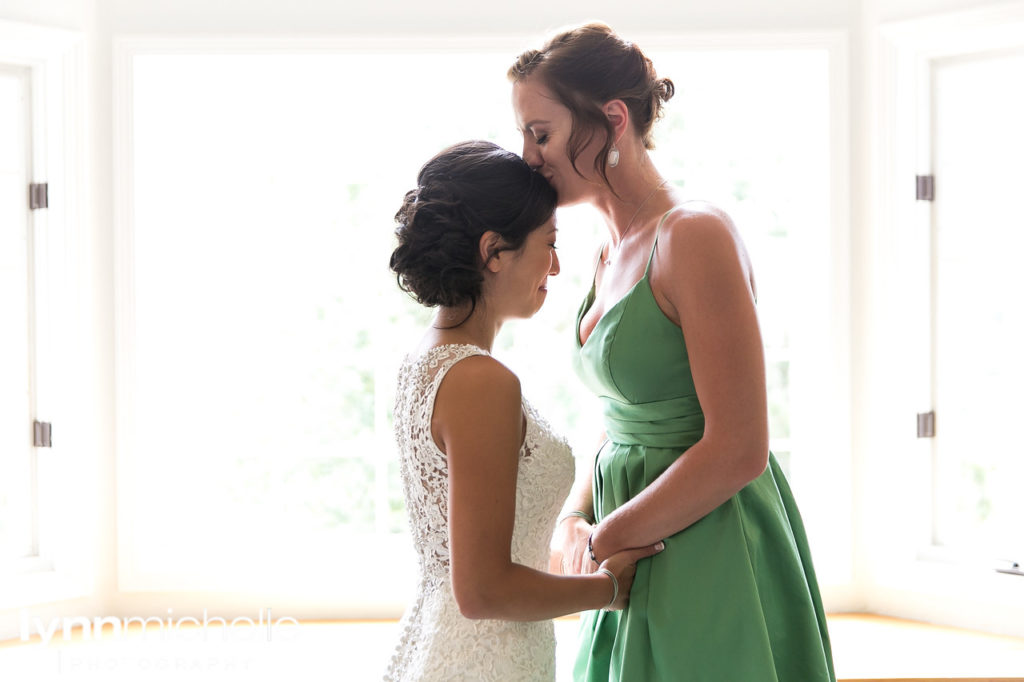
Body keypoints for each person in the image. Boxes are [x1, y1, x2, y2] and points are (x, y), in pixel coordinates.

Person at [508, 23, 837, 681]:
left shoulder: (693, 235)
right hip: (630, 547)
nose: (527, 155)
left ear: (612, 120)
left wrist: (604, 539)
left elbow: (740, 446)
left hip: (712, 546)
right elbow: (631, 412)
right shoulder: (605, 252)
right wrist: (577, 515)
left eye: (540, 133)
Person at [383, 140, 664, 682]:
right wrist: (608, 590)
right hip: (482, 663)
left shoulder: (424, 359)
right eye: (548, 244)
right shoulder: (480, 381)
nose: (556, 266)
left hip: (446, 647)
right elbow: (484, 589)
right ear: (493, 251)